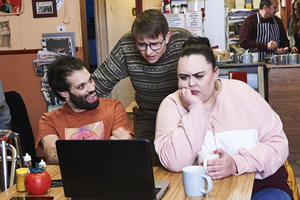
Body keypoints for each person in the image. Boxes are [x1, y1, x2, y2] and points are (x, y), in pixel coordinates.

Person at [154, 37, 293, 199]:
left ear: (215, 73)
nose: (191, 84)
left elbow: (278, 144)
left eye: (199, 76)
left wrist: (236, 163)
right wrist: (195, 110)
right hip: (198, 191)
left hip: (261, 186)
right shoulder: (171, 105)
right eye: (183, 77)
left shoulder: (242, 93)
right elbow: (175, 162)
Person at [92, 9, 192, 166]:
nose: (148, 51)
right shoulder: (126, 45)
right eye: (142, 45)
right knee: (145, 162)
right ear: (134, 40)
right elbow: (100, 84)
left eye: (154, 44)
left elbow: (202, 80)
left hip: (184, 113)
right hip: (148, 114)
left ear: (167, 37)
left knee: (183, 162)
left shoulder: (183, 41)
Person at [35, 56, 135, 165]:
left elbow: (124, 151)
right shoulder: (49, 120)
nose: (92, 88)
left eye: (90, 80)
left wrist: (126, 145)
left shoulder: (114, 107)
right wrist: (107, 149)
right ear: (64, 93)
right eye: (81, 86)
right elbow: (52, 157)